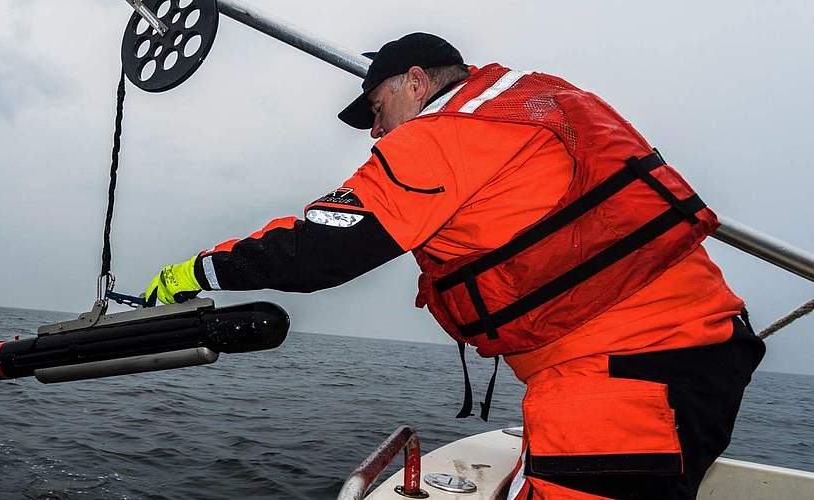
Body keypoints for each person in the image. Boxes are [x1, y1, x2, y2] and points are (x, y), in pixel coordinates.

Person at [140, 33, 764, 499]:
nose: (376, 131)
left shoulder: (442, 136)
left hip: (622, 380)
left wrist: (196, 272)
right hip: (695, 355)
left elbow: (321, 248)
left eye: (377, 109)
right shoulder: (530, 103)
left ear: (415, 82)